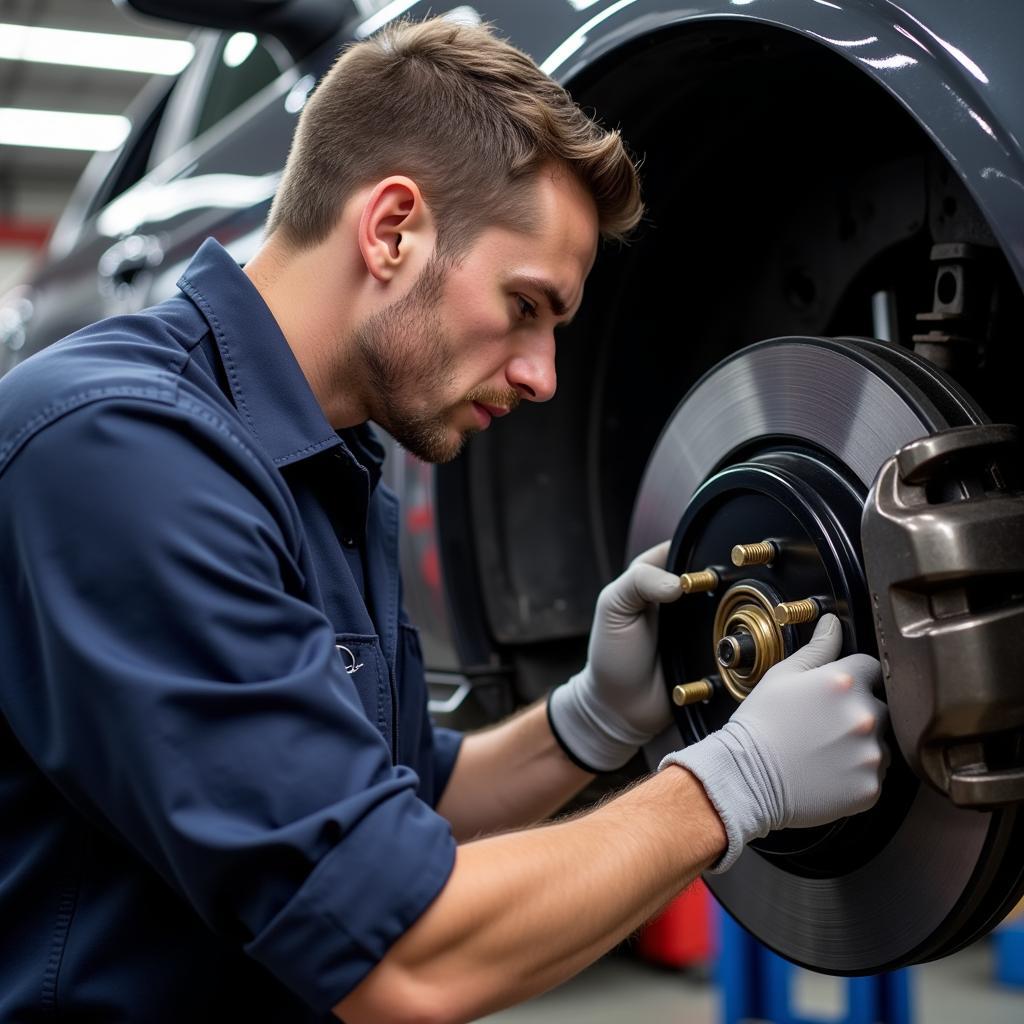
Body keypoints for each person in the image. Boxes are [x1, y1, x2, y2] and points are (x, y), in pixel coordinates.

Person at [0, 16, 888, 1024]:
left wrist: (592, 719)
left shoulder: (331, 465)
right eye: (524, 307)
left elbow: (398, 795)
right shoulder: (120, 453)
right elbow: (403, 956)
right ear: (390, 230)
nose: (544, 376)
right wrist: (732, 783)